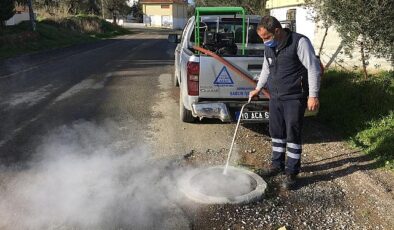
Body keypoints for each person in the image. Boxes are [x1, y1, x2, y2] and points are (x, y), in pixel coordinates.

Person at [249, 16, 322, 190]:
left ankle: (291, 172)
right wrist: (258, 88)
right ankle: (276, 165)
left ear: (277, 31)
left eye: (266, 37)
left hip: (294, 97)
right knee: (276, 132)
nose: (264, 41)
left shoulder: (299, 42)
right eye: (262, 38)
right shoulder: (269, 47)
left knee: (292, 133)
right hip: (275, 97)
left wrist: (313, 95)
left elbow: (313, 68)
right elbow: (266, 68)